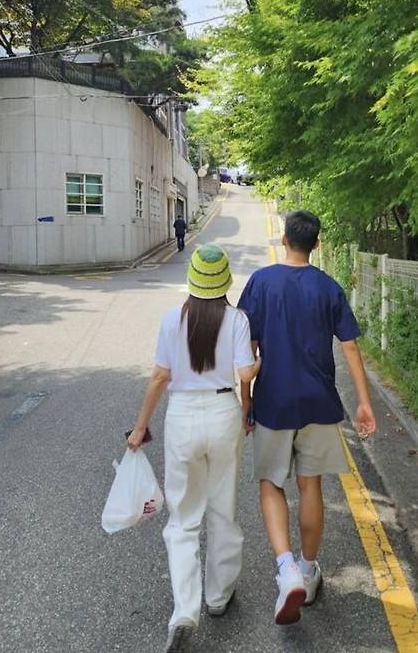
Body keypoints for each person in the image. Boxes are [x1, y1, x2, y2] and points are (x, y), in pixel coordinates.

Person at [238, 210, 376, 625]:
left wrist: (246, 403)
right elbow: (350, 348)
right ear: (316, 245)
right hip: (319, 402)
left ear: (284, 240)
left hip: (275, 401)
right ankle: (310, 568)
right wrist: (364, 402)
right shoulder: (328, 287)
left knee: (270, 483)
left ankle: (286, 570)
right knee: (310, 484)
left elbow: (248, 347)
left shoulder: (261, 283)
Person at [128, 244, 260, 653]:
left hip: (182, 416)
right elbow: (244, 375)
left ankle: (185, 611)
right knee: (223, 509)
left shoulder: (173, 319)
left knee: (183, 519)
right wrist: (252, 388)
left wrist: (139, 428)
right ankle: (218, 598)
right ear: (224, 283)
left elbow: (158, 377)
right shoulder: (237, 320)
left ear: (192, 280)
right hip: (223, 413)